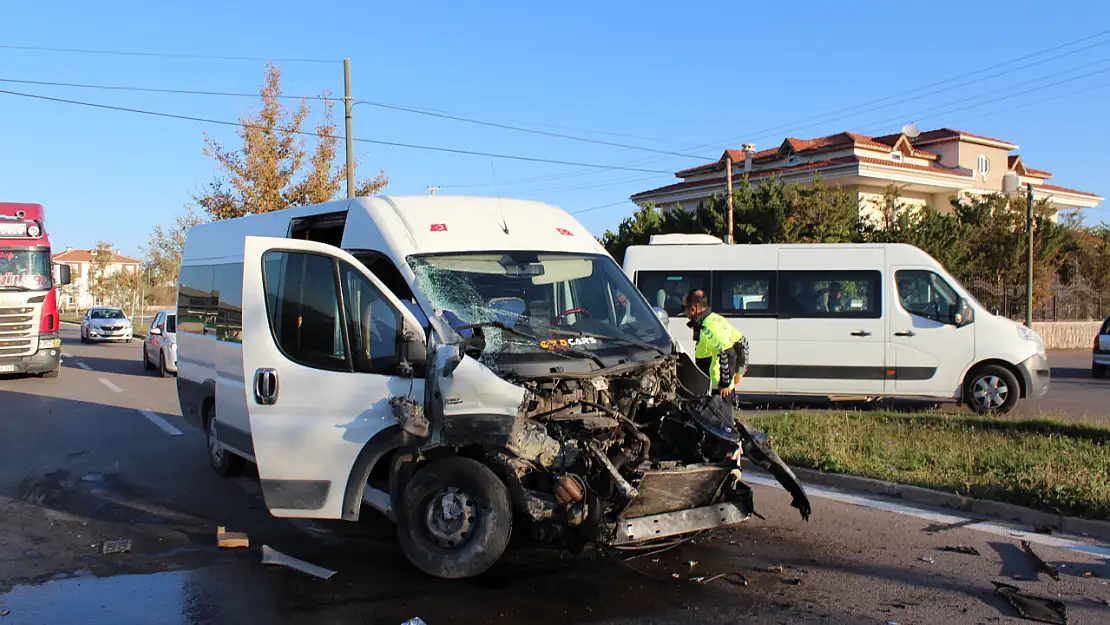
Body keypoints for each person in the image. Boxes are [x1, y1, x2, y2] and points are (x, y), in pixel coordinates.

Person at [684, 289, 748, 397]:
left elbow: (728, 354)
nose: (684, 311)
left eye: (684, 307)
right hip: (714, 387)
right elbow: (742, 342)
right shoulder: (715, 319)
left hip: (718, 390)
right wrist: (740, 371)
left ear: (693, 309)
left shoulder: (708, 328)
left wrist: (725, 383)